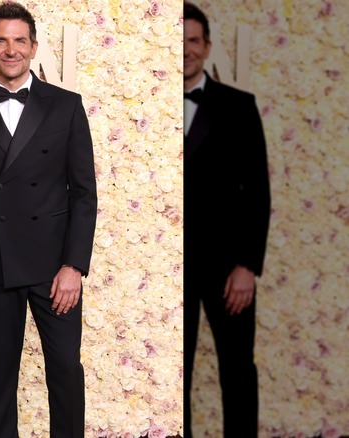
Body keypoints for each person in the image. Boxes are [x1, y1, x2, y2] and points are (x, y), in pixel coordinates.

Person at [0, 2, 97, 437]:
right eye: (1, 41)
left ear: (33, 47)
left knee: (66, 370)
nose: (10, 50)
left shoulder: (66, 106)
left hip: (55, 267)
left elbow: (84, 193)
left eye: (19, 41)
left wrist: (74, 266)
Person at [182, 3, 271, 437]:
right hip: (169, 270)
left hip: (227, 268)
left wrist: (248, 266)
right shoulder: (143, 107)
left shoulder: (239, 106)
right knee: (172, 373)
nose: (185, 50)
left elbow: (257, 192)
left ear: (207, 46)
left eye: (193, 41)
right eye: (176, 41)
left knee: (237, 368)